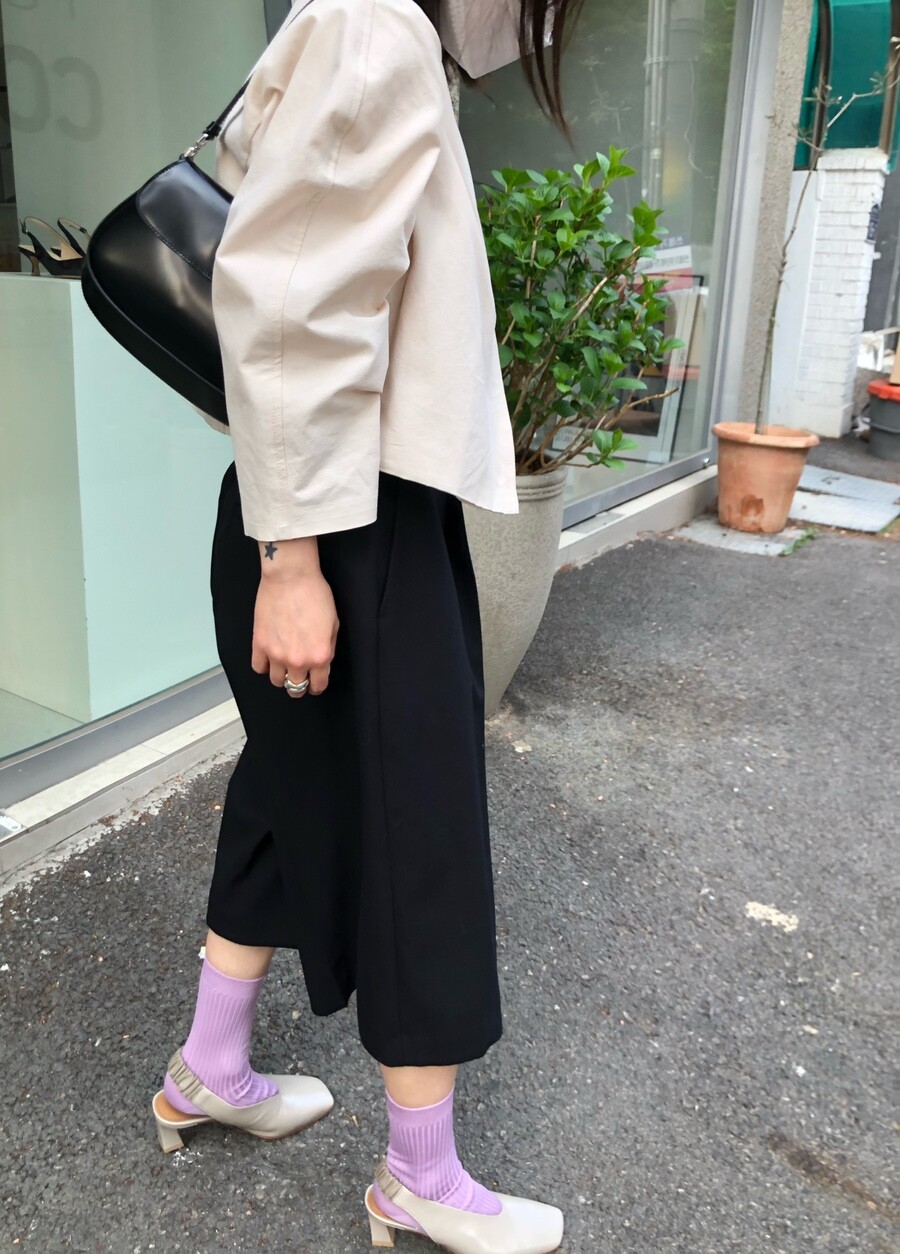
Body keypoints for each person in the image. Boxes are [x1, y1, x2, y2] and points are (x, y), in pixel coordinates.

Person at [151, 0, 583, 1249]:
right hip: (343, 523)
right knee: (419, 826)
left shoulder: (364, 21)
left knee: (289, 785)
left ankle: (208, 1067)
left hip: (336, 505)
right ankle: (419, 1177)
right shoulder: (374, 26)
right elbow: (291, 299)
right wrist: (292, 560)